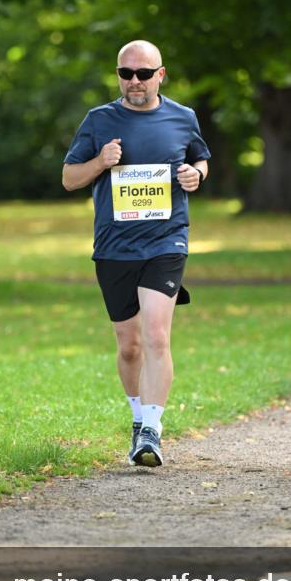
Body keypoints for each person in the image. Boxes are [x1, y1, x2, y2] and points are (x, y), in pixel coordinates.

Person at [62, 40, 210, 467]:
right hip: (114, 246)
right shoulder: (98, 121)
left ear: (160, 74)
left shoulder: (183, 118)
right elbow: (70, 178)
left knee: (157, 335)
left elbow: (201, 160)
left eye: (143, 74)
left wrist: (195, 175)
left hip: (166, 241)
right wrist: (100, 163)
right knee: (129, 346)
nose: (134, 82)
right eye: (126, 73)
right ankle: (136, 419)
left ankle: (152, 431)